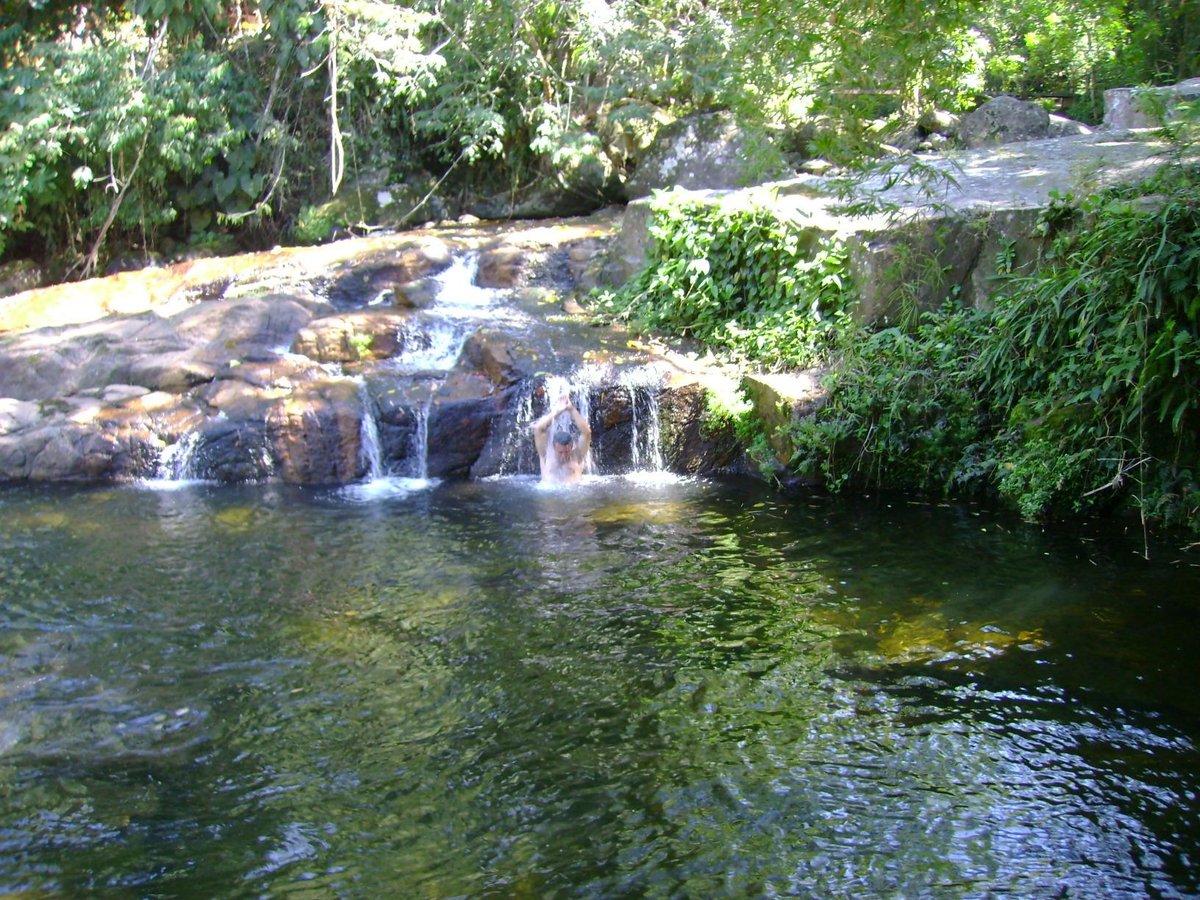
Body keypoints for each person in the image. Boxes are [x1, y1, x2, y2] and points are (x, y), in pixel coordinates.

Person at [532, 392, 592, 484]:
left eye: (566, 452)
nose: (563, 456)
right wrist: (557, 411)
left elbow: (586, 433)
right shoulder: (546, 455)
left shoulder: (577, 455)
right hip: (550, 496)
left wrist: (571, 410)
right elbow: (538, 429)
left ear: (571, 446)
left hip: (574, 495)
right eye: (560, 452)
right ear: (554, 447)